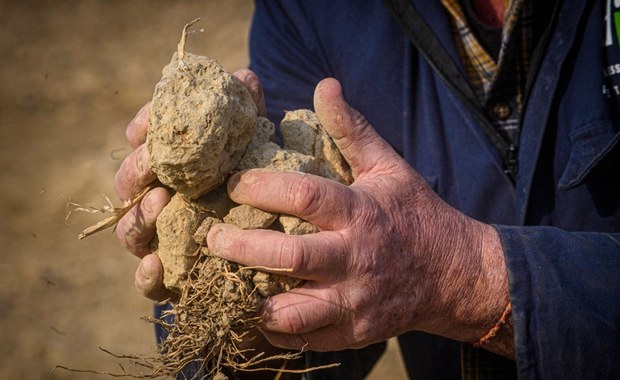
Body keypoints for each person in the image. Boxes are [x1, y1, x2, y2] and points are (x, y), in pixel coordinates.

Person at [114, 0, 620, 379]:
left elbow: (438, 274)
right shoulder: (309, 10)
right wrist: (252, 335)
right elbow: (316, 308)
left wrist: (467, 278)